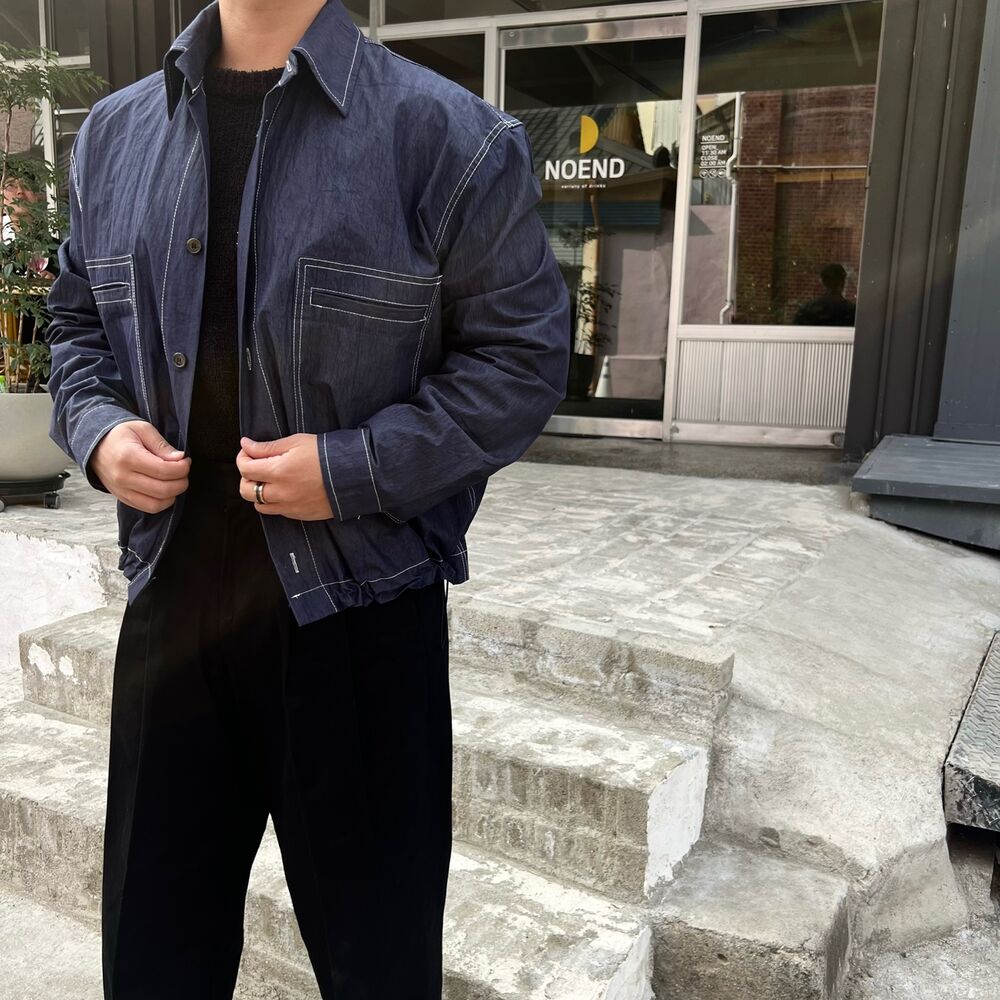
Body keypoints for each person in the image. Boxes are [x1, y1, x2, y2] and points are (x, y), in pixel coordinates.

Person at [42, 1, 570, 998]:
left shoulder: (443, 135)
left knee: (378, 968)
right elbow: (74, 328)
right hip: (171, 609)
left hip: (358, 617)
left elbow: (523, 360)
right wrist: (99, 431)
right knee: (151, 962)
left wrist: (352, 468)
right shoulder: (115, 135)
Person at [793, 261, 857, 326]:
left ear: (823, 282)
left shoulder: (808, 309)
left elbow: (797, 328)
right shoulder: (852, 311)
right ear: (843, 283)